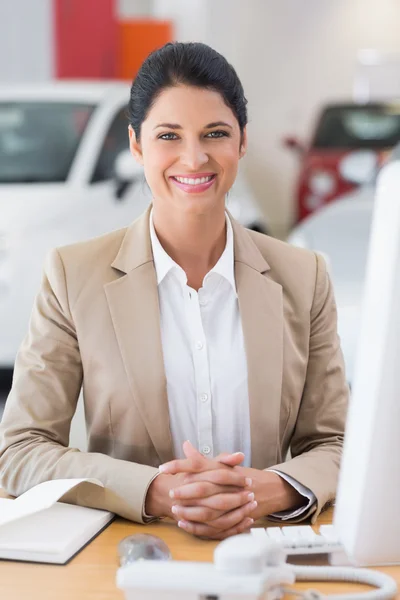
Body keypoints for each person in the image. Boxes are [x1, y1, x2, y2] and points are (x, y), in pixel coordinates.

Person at [0, 42, 348, 540]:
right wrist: (154, 492)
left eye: (215, 133)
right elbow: (21, 449)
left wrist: (270, 489)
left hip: (265, 552)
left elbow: (337, 443)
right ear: (136, 145)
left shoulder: (304, 276)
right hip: (129, 556)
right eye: (168, 135)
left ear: (242, 141)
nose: (194, 157)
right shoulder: (73, 275)